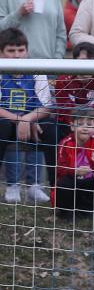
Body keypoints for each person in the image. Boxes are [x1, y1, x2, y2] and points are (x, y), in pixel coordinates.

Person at [0, 26, 51, 204]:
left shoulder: (35, 70)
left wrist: (28, 119)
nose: (16, 55)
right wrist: (18, 120)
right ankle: (12, 185)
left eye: (21, 50)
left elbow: (46, 107)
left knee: (47, 127)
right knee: (4, 127)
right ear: (1, 52)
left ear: (27, 51)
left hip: (31, 122)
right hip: (6, 121)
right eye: (11, 51)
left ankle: (35, 185)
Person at [54, 107, 94, 215]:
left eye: (89, 124)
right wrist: (75, 171)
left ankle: (89, 208)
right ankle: (66, 210)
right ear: (72, 126)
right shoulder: (65, 143)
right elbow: (59, 169)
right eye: (81, 124)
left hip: (89, 181)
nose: (85, 128)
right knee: (63, 183)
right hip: (73, 182)